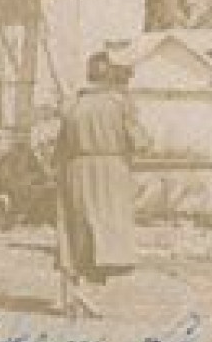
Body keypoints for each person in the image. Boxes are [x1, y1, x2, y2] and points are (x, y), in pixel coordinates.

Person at [55, 53, 152, 319]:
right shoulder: (119, 104)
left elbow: (59, 147)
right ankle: (89, 292)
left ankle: (72, 294)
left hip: (75, 169)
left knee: (75, 230)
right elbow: (140, 141)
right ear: (110, 76)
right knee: (107, 232)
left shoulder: (72, 105)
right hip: (110, 172)